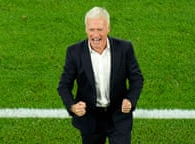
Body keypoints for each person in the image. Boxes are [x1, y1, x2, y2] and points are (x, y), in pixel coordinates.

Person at [58, 6, 143, 144]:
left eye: (100, 29)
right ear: (86, 29)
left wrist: (130, 100)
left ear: (108, 28)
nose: (95, 35)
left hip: (118, 117)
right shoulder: (74, 52)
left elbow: (137, 78)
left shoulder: (125, 48)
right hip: (90, 120)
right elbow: (63, 86)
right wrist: (72, 106)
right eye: (91, 29)